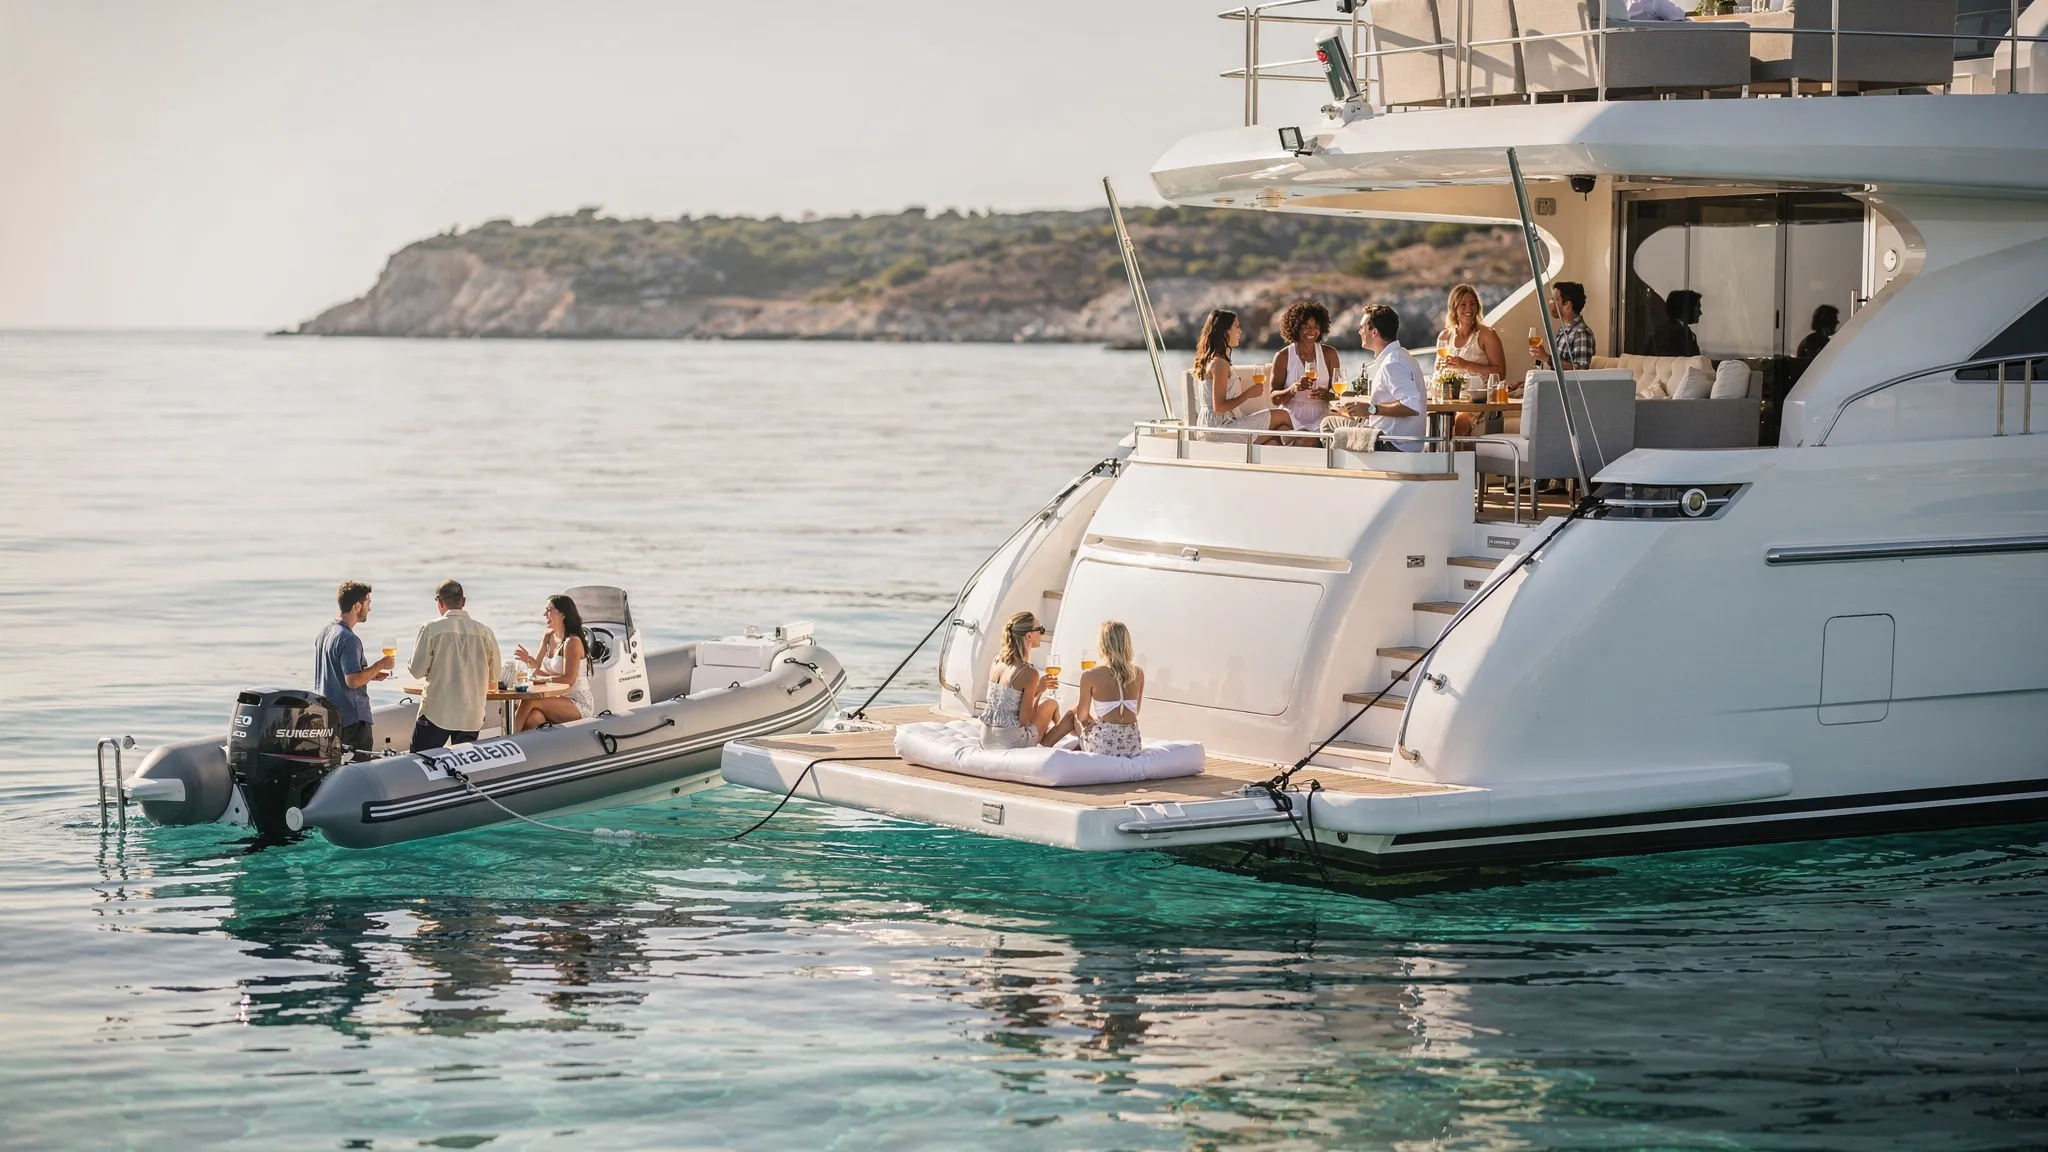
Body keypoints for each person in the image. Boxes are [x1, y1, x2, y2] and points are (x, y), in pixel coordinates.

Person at [407, 578, 501, 752]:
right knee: (465, 766)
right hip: (471, 715)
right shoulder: (486, 632)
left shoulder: (431, 629)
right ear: (463, 602)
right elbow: (494, 677)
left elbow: (416, 671)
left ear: (440, 602)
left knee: (419, 763)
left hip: (437, 713)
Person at [313, 580, 394, 761]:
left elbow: (337, 673)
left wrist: (371, 674)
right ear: (358, 606)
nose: (370, 609)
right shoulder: (348, 639)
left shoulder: (325, 632)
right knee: (359, 773)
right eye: (368, 603)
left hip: (328, 719)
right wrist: (380, 665)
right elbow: (353, 681)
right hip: (352, 721)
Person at [1333, 304, 1427, 450]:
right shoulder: (1403, 356)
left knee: (1328, 423)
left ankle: (1344, 470)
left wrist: (1370, 409)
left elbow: (1411, 406)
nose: (1359, 332)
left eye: (1362, 327)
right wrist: (1362, 410)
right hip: (1401, 442)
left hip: (1391, 444)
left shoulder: (1392, 363)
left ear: (1374, 332)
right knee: (1340, 419)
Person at [981, 610, 1072, 749]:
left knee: (1047, 705)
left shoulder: (997, 661)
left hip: (986, 739)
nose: (1042, 633)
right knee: (1051, 704)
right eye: (1040, 630)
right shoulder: (1029, 672)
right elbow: (1025, 720)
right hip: (1009, 742)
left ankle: (1048, 743)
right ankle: (1054, 745)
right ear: (1029, 635)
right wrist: (1039, 690)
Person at [1193, 309, 1288, 440]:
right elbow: (1219, 407)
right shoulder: (1219, 364)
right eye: (1236, 326)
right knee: (1282, 416)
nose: (1240, 331)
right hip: (1220, 429)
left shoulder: (1213, 360)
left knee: (1274, 440)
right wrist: (1247, 394)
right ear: (1225, 331)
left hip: (1210, 427)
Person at [514, 594, 596, 731]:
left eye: (549, 610)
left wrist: (543, 680)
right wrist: (528, 659)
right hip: (556, 698)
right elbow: (537, 668)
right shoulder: (548, 636)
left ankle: (509, 737)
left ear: (562, 615)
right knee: (534, 717)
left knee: (530, 700)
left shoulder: (572, 642)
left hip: (577, 702)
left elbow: (569, 679)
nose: (545, 614)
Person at [1266, 300, 1342, 435]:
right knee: (1303, 441)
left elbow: (1338, 394)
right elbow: (1273, 398)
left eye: (1316, 326)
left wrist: (1327, 395)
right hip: (1291, 416)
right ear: (1295, 327)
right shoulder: (1283, 356)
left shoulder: (1330, 354)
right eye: (1306, 326)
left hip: (1321, 415)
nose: (1312, 331)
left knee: (1310, 441)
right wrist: (1292, 389)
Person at [1076, 620, 1146, 758]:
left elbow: (1081, 716)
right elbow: (1135, 711)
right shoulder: (1138, 673)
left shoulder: (1090, 675)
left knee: (1073, 714)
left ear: (1103, 644)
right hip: (1132, 747)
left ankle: (1044, 748)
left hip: (1104, 748)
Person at [1437, 283, 1507, 390]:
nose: (1469, 309)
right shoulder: (1444, 336)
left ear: (1478, 307)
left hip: (1481, 402)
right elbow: (1437, 372)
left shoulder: (1488, 335)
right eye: (1463, 304)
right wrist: (1442, 367)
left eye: (1473, 303)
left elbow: (1501, 373)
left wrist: (1467, 365)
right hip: (1451, 401)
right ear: (1454, 308)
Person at [1531, 281, 1596, 372]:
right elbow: (1555, 371)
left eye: (1553, 299)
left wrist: (1547, 358)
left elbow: (1581, 371)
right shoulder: (1563, 330)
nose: (1549, 303)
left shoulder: (1581, 332)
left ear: (1566, 305)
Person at [1646, 289, 1702, 358]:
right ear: (1688, 309)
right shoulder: (1665, 335)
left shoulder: (1686, 334)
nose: (1700, 313)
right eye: (1698, 308)